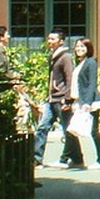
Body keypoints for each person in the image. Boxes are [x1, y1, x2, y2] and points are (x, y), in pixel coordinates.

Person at [33, 31, 74, 168]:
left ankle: (73, 157)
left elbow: (70, 78)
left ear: (61, 41)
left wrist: (68, 99)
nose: (49, 41)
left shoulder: (65, 57)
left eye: (53, 38)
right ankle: (37, 159)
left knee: (68, 130)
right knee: (42, 127)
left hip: (61, 99)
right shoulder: (53, 56)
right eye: (49, 38)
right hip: (51, 100)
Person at [70, 37, 100, 169]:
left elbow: (92, 83)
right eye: (77, 46)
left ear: (88, 49)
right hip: (79, 101)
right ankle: (73, 158)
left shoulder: (91, 62)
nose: (79, 49)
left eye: (82, 47)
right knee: (72, 130)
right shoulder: (79, 62)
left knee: (94, 131)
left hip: (90, 102)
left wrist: (88, 102)